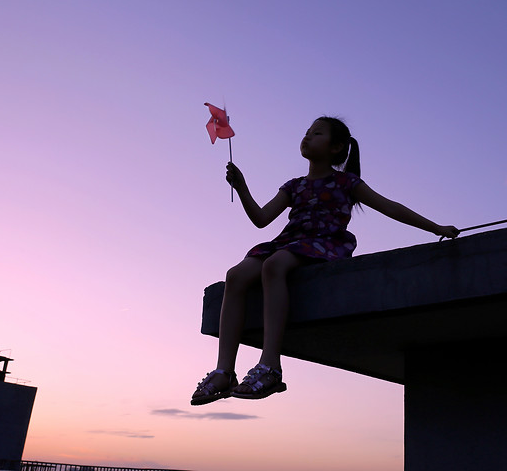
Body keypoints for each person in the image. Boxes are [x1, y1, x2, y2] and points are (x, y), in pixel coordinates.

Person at [191, 116, 459, 406]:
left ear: (337, 147)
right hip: (288, 242)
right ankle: (224, 371)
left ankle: (270, 366)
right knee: (236, 275)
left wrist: (437, 228)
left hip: (323, 244)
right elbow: (261, 219)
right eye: (307, 132)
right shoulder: (294, 186)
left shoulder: (346, 181)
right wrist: (242, 187)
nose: (307, 137)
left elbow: (389, 207)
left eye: (316, 133)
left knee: (274, 265)